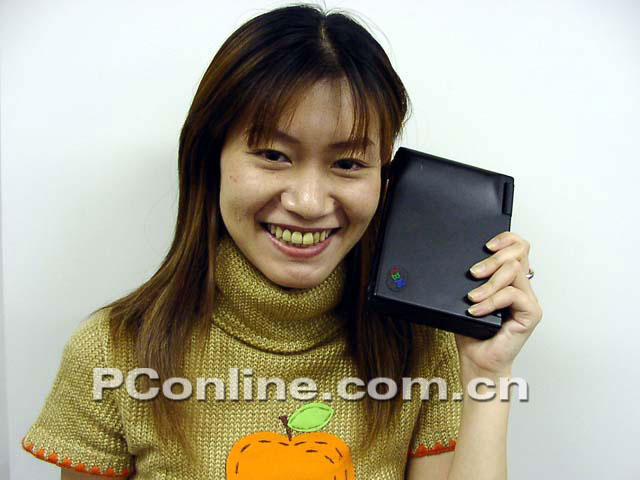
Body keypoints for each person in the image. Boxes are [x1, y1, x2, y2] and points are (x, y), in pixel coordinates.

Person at [20, 4, 542, 479]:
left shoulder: (421, 348)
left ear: (385, 179)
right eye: (273, 155)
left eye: (348, 163)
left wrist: (488, 374)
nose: (309, 202)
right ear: (211, 158)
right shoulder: (114, 351)